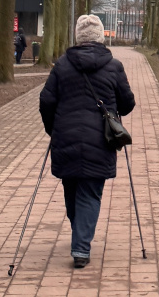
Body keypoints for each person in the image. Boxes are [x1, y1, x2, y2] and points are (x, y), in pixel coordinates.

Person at [39, 14, 135, 269]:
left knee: (71, 188)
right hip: (100, 140)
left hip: (66, 137)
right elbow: (128, 103)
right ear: (100, 37)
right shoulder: (114, 66)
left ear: (78, 37)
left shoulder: (61, 65)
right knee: (90, 192)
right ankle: (81, 247)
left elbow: (46, 101)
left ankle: (79, 236)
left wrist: (54, 129)